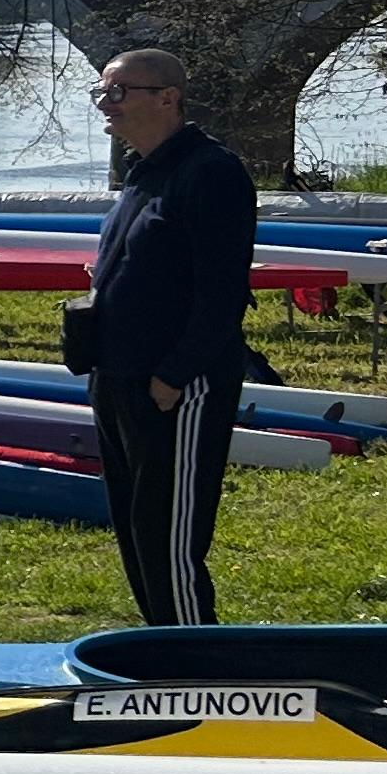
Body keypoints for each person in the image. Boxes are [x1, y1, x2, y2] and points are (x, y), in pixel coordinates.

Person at [83, 50, 255, 624]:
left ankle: (193, 663)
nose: (107, 105)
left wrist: (174, 375)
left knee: (169, 536)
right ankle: (160, 647)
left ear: (167, 98)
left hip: (176, 385)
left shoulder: (210, 172)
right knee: (135, 527)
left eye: (119, 92)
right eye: (101, 93)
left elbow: (222, 290)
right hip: (117, 375)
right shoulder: (143, 170)